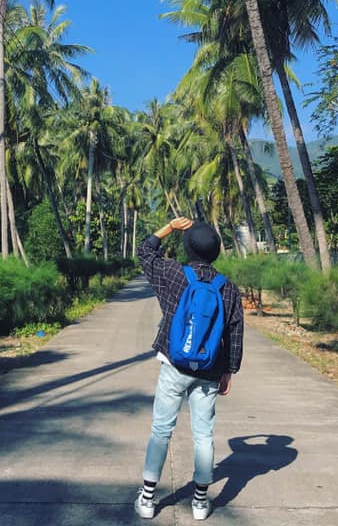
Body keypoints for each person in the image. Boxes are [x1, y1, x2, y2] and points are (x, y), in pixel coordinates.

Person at [134, 216, 244, 521]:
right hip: (209, 370)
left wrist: (169, 228)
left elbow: (145, 251)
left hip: (174, 365)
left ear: (187, 248)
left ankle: (147, 499)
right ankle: (199, 502)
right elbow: (235, 332)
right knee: (203, 435)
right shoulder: (228, 288)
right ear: (217, 252)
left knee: (161, 430)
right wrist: (229, 370)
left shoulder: (173, 274)